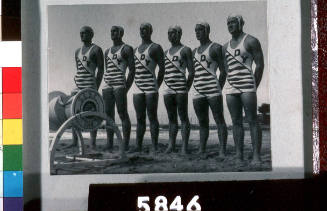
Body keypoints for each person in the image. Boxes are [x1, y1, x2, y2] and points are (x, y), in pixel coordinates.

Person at [223, 14, 264, 164]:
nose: (230, 25)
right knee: (235, 121)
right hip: (231, 87)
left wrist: (254, 86)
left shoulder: (251, 40)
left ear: (241, 23)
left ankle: (256, 156)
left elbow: (259, 65)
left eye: (233, 22)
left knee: (252, 120)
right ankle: (239, 155)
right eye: (228, 23)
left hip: (247, 85)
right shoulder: (224, 47)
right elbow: (227, 69)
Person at [192, 22, 228, 157]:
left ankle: (222, 150)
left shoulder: (216, 47)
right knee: (202, 122)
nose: (197, 32)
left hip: (213, 89)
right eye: (196, 30)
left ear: (207, 30)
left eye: (200, 30)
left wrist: (218, 87)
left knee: (219, 120)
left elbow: (223, 71)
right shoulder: (193, 51)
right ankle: (202, 149)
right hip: (198, 91)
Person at [133, 23, 165, 154]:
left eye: (145, 29)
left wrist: (156, 84)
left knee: (152, 117)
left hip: (151, 87)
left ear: (151, 31)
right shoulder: (135, 50)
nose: (143, 31)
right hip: (137, 88)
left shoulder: (156, 47)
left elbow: (162, 68)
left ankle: (154, 146)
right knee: (139, 118)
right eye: (141, 29)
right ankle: (138, 146)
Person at [162, 25, 194, 154]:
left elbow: (191, 72)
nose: (171, 35)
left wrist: (185, 88)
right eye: (169, 33)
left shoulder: (185, 50)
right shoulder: (165, 52)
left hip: (181, 88)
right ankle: (171, 145)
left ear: (180, 34)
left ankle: (184, 147)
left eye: (173, 33)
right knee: (171, 118)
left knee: (183, 117)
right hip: (168, 89)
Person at [102, 25, 135, 152]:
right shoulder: (107, 51)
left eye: (115, 31)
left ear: (121, 33)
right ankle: (109, 143)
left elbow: (132, 70)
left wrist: (126, 86)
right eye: (111, 31)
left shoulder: (126, 49)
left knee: (122, 113)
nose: (113, 33)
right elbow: (107, 69)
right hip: (107, 84)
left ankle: (125, 144)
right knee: (108, 114)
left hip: (119, 83)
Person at [71, 26, 104, 149]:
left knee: (92, 113)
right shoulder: (77, 51)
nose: (82, 35)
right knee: (74, 112)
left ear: (91, 34)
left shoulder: (96, 49)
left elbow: (101, 70)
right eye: (80, 33)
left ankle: (93, 142)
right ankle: (75, 141)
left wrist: (96, 86)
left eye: (84, 33)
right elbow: (78, 69)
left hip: (90, 84)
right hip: (77, 85)